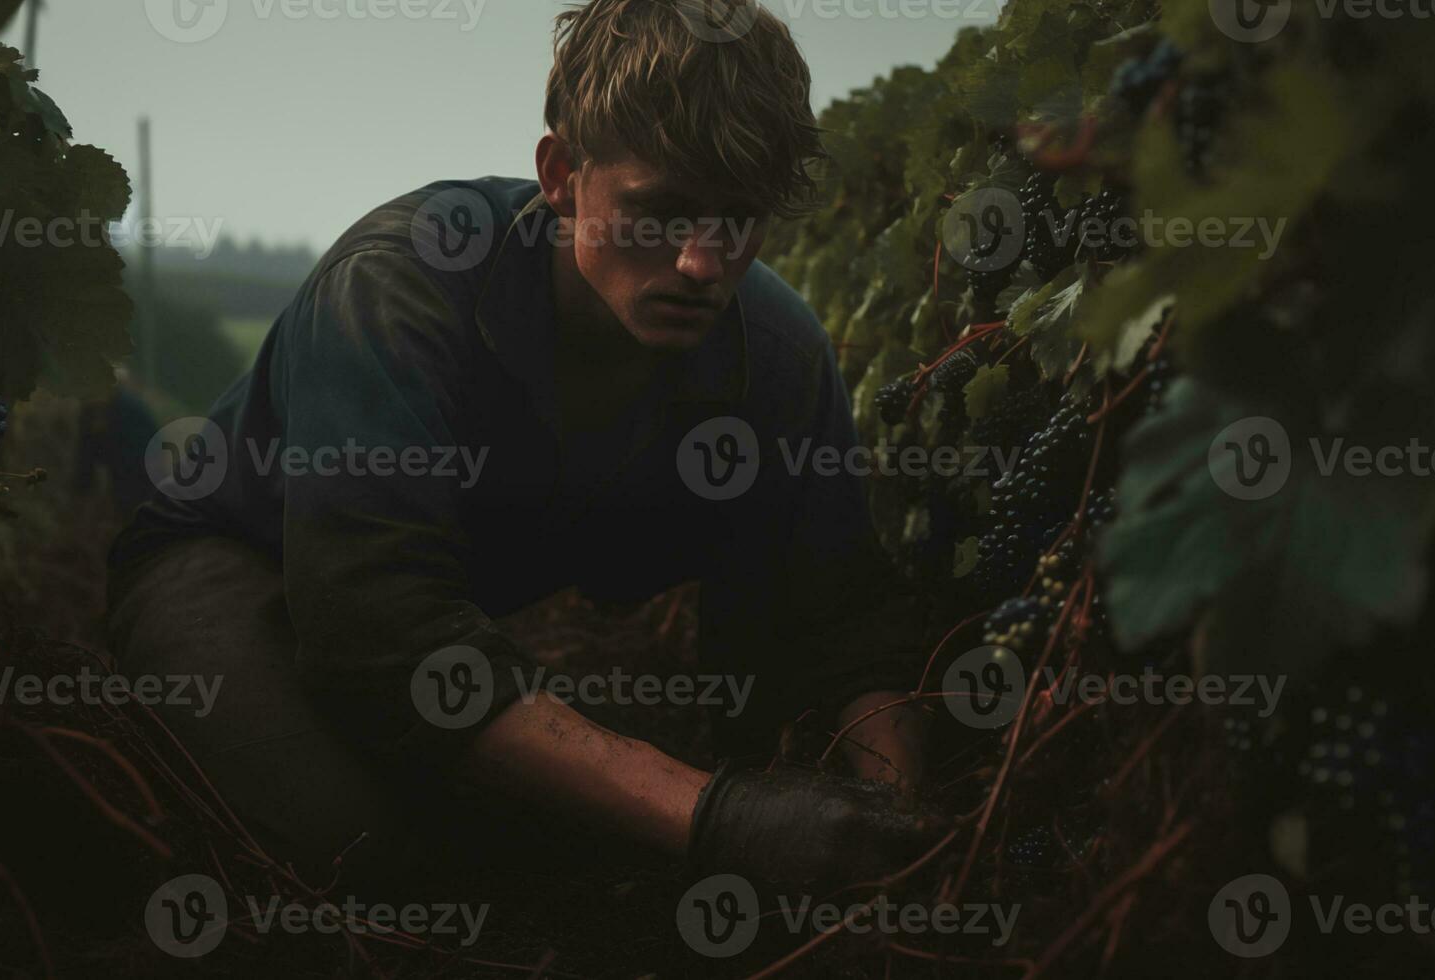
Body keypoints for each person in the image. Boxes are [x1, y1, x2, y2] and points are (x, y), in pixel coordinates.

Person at [107, 0, 936, 894]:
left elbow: (840, 612)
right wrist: (715, 815)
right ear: (561, 172)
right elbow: (377, 634)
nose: (701, 263)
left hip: (424, 605)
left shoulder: (773, 349)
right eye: (658, 211)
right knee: (360, 848)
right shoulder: (397, 289)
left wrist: (900, 815)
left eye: (738, 219)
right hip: (228, 552)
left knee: (563, 813)